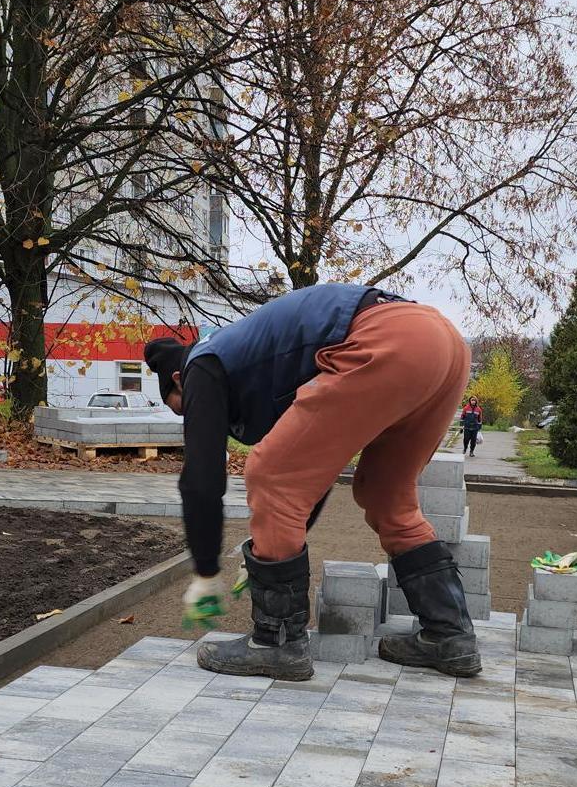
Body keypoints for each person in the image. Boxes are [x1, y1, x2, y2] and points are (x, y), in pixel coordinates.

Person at [144, 283, 476, 682]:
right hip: (444, 344)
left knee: (269, 474)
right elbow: (310, 472)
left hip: (391, 336)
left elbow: (203, 478)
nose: (191, 415)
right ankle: (448, 635)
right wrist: (270, 550)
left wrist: (206, 572)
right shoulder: (255, 360)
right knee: (386, 494)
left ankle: (277, 644)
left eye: (182, 407)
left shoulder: (202, 362)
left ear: (178, 379)